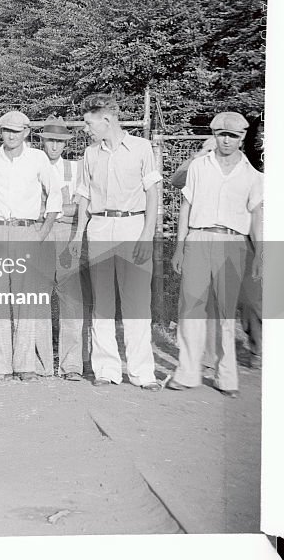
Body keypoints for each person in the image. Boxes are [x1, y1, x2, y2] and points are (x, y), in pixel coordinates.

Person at [0, 110, 61, 383]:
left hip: (25, 232)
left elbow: (55, 195)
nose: (11, 136)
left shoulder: (38, 158)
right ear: (0, 132)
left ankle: (25, 365)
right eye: (6, 130)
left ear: (27, 132)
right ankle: (1, 367)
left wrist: (41, 232)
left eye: (17, 131)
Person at [69, 95, 161, 391]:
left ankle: (142, 373)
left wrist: (147, 235)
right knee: (103, 301)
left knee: (136, 302)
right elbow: (83, 195)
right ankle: (106, 370)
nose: (86, 129)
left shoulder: (141, 148)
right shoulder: (90, 153)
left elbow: (153, 193)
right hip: (99, 227)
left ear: (106, 120)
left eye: (88, 123)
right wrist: (77, 235)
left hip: (133, 225)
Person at [168, 112, 263, 397]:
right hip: (198, 238)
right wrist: (179, 246)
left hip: (232, 242)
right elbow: (185, 207)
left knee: (224, 313)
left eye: (233, 136)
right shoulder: (199, 166)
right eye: (221, 134)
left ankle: (226, 379)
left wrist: (259, 254)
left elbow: (256, 216)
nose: (226, 140)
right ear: (214, 135)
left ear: (242, 138)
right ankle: (187, 373)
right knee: (190, 309)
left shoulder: (252, 176)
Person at [35, 116, 89, 381]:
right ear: (42, 141)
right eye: (50, 141)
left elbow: (78, 208)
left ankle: (72, 365)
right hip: (41, 236)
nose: (54, 146)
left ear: (65, 144)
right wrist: (58, 212)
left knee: (71, 299)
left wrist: (52, 211)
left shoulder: (76, 169)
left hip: (67, 235)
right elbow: (30, 208)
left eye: (59, 141)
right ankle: (41, 363)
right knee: (38, 297)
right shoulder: (33, 165)